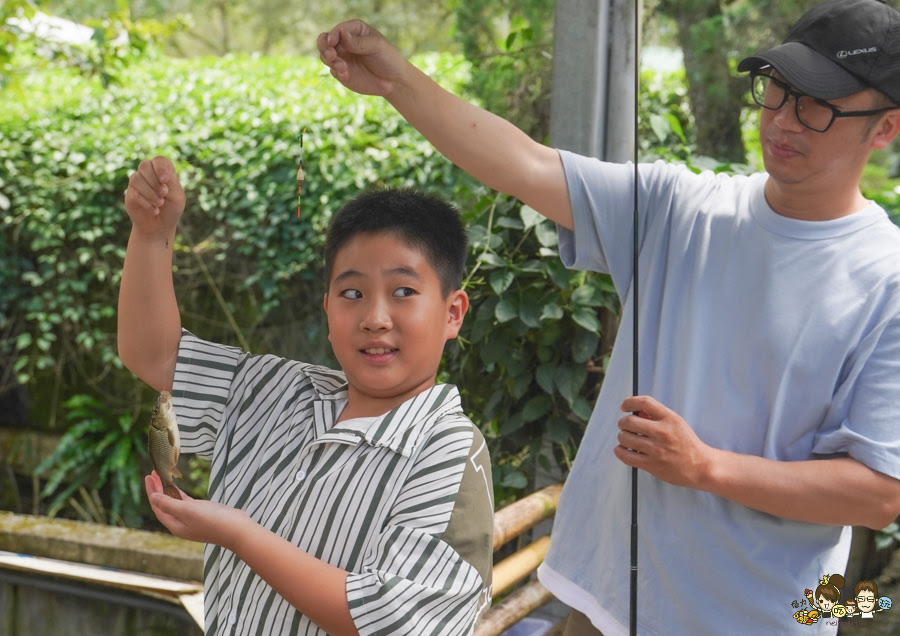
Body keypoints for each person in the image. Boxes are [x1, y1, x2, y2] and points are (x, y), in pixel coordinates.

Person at [317, 0, 900, 634]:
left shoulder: (886, 279)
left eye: (817, 105)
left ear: (885, 128)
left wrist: (705, 467)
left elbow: (878, 493)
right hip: (602, 603)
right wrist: (397, 80)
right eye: (777, 90)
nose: (783, 119)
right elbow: (523, 163)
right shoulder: (682, 208)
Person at [118, 158, 494, 636]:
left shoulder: (449, 449)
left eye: (403, 291)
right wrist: (152, 235)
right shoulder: (270, 388)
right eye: (352, 294)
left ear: (453, 313)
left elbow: (392, 621)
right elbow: (154, 356)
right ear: (327, 308)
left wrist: (238, 534)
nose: (375, 319)